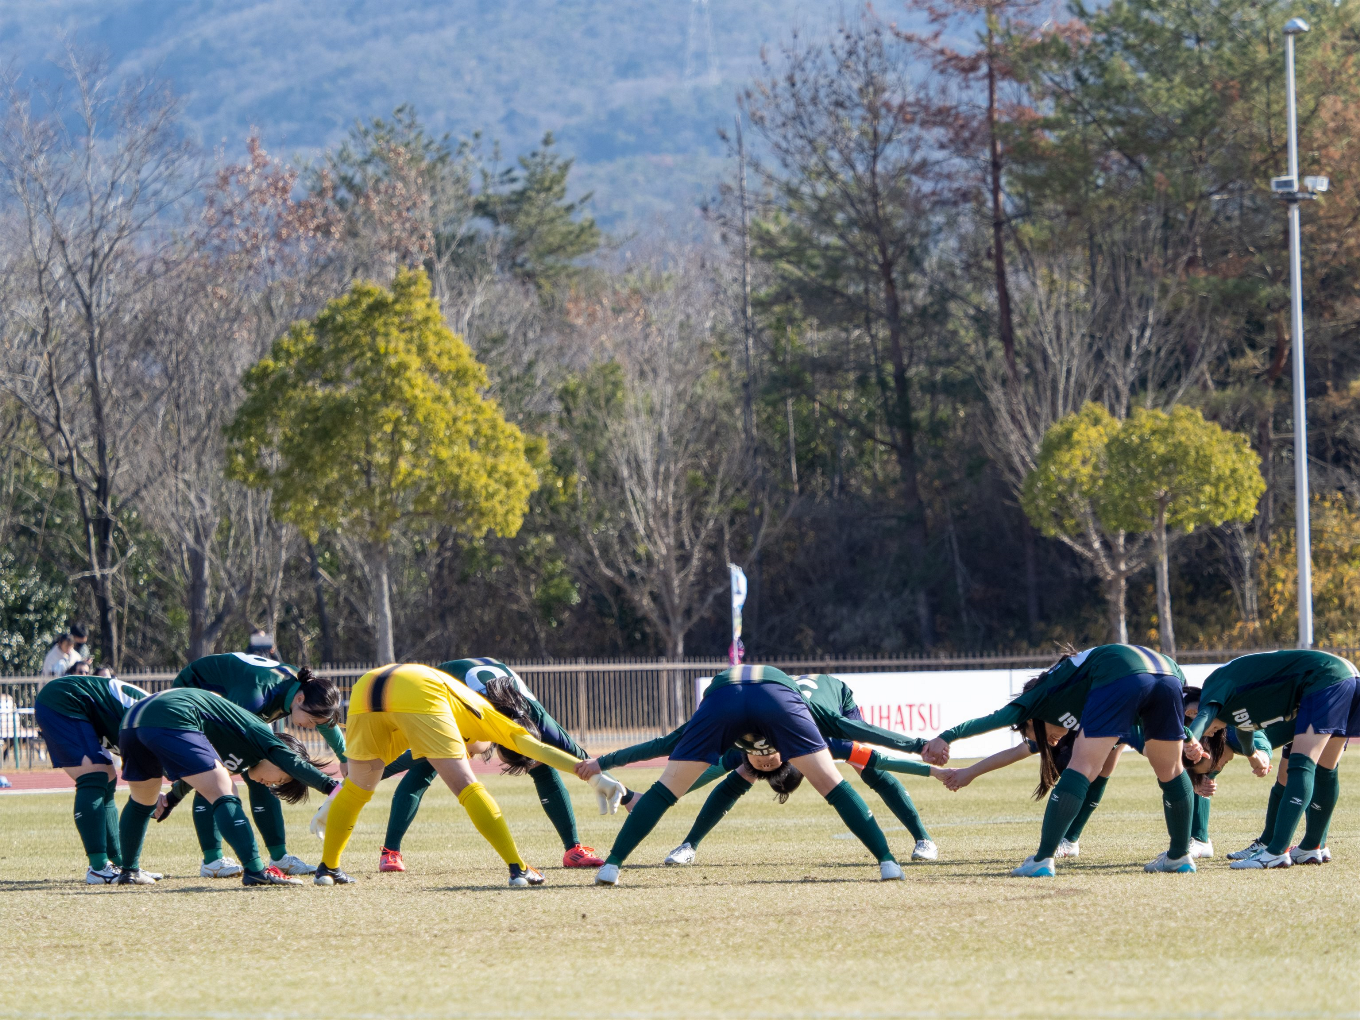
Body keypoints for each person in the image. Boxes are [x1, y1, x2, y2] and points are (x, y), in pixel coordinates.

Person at [580, 664, 908, 886]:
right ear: (790, 752)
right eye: (764, 760)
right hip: (774, 692)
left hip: (725, 692)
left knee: (666, 789)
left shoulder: (736, 750)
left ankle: (612, 865)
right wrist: (919, 747)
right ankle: (887, 861)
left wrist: (603, 762)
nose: (763, 759)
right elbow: (854, 729)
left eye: (764, 760)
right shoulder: (798, 730)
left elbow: (665, 745)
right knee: (832, 785)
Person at [307, 662, 626, 889]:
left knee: (358, 792)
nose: (478, 752)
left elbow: (369, 774)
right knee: (468, 787)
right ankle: (518, 868)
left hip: (368, 686)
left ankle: (328, 868)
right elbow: (541, 751)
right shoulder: (491, 718)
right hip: (417, 689)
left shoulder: (449, 712)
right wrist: (594, 776)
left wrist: (335, 801)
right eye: (486, 750)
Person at [922, 644, 1199, 877]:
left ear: (1030, 720)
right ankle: (1179, 856)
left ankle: (1042, 860)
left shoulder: (1039, 698)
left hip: (1121, 670)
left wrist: (946, 737)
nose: (1046, 742)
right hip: (1168, 671)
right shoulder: (1071, 700)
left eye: (1031, 733)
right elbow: (1144, 706)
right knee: (1171, 770)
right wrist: (1185, 736)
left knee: (1083, 767)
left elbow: (993, 719)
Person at [116, 687, 339, 887]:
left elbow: (194, 774)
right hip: (170, 713)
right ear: (281, 758)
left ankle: (129, 871)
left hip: (132, 721)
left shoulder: (241, 753)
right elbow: (293, 762)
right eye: (280, 780)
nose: (270, 785)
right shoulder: (262, 732)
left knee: (142, 800)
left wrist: (171, 800)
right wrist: (332, 787)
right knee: (226, 791)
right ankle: (256, 871)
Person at [171, 651, 346, 877]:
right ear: (300, 699)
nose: (312, 727)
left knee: (263, 777)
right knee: (213, 777)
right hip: (191, 693)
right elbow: (215, 749)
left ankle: (279, 856)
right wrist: (176, 793)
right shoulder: (255, 698)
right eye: (312, 721)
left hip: (234, 701)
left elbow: (325, 721)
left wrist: (344, 757)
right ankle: (212, 861)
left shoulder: (304, 690)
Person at [1187, 649, 1358, 869]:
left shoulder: (1212, 692)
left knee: (1299, 766)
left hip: (1323, 678)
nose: (1208, 736)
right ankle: (1312, 847)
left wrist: (1191, 738)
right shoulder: (1231, 712)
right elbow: (1244, 727)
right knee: (1325, 768)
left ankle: (1276, 851)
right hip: (1344, 675)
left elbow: (1205, 716)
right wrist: (1250, 755)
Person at [33, 671, 155, 883]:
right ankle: (98, 867)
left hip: (73, 700)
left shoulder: (162, 718)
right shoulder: (161, 722)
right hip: (63, 699)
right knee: (94, 775)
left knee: (107, 777)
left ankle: (117, 863)